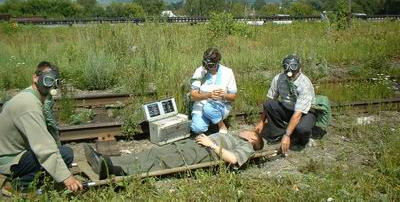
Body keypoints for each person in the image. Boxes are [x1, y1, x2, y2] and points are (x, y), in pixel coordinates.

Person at [0, 61, 82, 195]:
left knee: (59, 153)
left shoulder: (29, 96)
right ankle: (16, 186)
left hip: (11, 153)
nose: (52, 86)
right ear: (35, 78)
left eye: (56, 82)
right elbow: (44, 147)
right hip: (9, 160)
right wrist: (67, 178)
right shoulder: (29, 105)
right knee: (65, 154)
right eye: (48, 80)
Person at [84, 129, 264, 179]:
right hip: (191, 145)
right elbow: (222, 127)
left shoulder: (246, 147)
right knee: (152, 152)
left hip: (199, 153)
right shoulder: (233, 136)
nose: (247, 131)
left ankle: (115, 170)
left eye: (251, 133)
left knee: (158, 161)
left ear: (252, 140)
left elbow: (233, 159)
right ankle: (107, 161)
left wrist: (211, 144)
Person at [254, 55, 316, 155]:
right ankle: (278, 134)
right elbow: (270, 99)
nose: (291, 77)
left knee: (302, 129)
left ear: (300, 69)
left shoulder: (304, 84)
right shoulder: (278, 79)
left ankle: (304, 139)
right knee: (269, 104)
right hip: (289, 109)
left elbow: (298, 113)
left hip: (305, 113)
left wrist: (287, 136)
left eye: (294, 75)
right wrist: (261, 122)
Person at [190, 47, 237, 134]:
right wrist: (208, 95)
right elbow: (193, 96)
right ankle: (211, 121)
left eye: (210, 65)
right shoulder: (199, 71)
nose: (206, 67)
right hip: (201, 104)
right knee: (197, 129)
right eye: (204, 64)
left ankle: (221, 125)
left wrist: (224, 95)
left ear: (217, 63)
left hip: (219, 105)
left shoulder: (228, 72)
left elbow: (233, 97)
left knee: (208, 108)